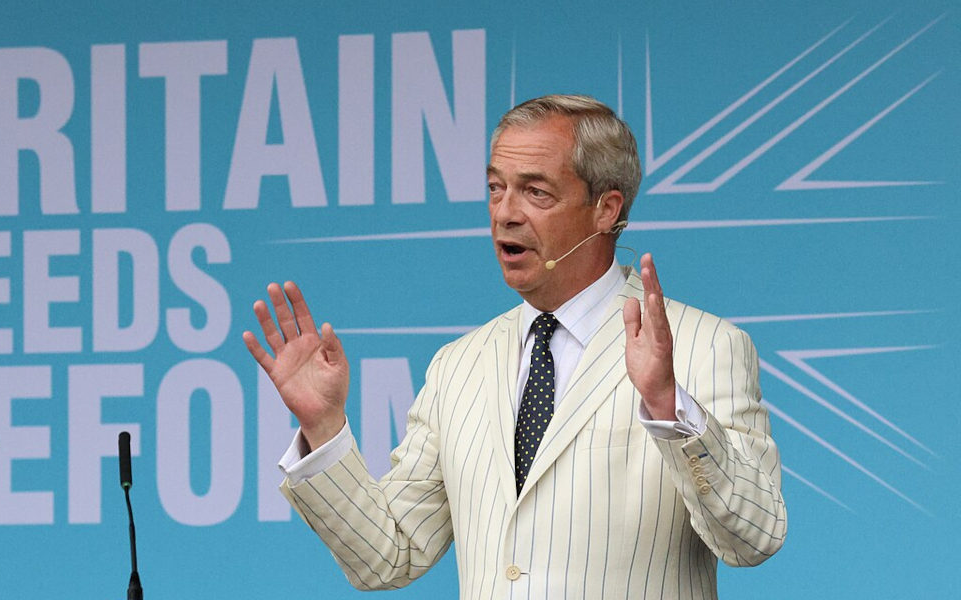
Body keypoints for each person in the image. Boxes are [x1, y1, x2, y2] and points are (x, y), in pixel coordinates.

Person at [242, 94, 785, 599]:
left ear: (605, 209)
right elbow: (389, 555)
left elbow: (753, 538)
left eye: (535, 191)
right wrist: (324, 427)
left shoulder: (706, 346)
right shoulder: (459, 365)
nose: (504, 212)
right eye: (495, 187)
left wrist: (668, 408)